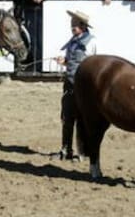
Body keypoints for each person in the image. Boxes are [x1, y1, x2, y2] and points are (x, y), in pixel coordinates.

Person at [56, 10, 96, 161]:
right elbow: (69, 62)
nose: (73, 27)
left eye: (76, 24)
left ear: (83, 26)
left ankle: (83, 152)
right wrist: (63, 62)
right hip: (70, 83)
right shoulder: (72, 42)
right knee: (67, 117)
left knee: (82, 119)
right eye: (72, 24)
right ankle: (66, 149)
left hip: (84, 87)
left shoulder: (91, 42)